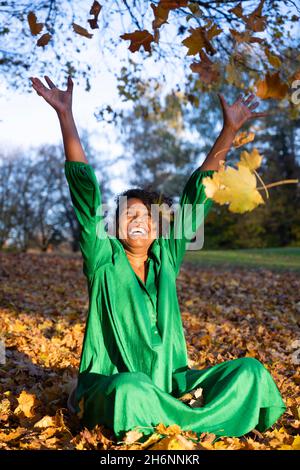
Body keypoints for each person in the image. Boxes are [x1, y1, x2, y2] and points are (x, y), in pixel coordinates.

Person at [30, 75, 286, 440]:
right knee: (130, 389)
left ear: (158, 229)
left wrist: (229, 131)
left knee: (251, 372)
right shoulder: (104, 260)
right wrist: (65, 116)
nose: (138, 221)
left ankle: (174, 417)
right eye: (129, 215)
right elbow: (85, 193)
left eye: (147, 217)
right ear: (115, 227)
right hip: (112, 386)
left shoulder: (167, 258)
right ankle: (196, 420)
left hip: (171, 384)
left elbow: (198, 197)